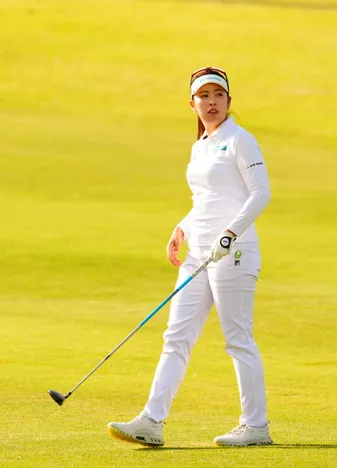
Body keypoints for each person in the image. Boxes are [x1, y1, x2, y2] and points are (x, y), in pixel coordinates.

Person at [107, 67, 273, 446]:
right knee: (176, 337)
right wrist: (182, 227)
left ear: (229, 101)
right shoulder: (200, 146)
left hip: (234, 252)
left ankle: (256, 426)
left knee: (238, 339)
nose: (212, 102)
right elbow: (206, 199)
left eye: (218, 95)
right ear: (192, 104)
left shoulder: (240, 140)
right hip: (199, 253)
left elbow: (260, 193)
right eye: (204, 96)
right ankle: (151, 422)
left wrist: (230, 233)